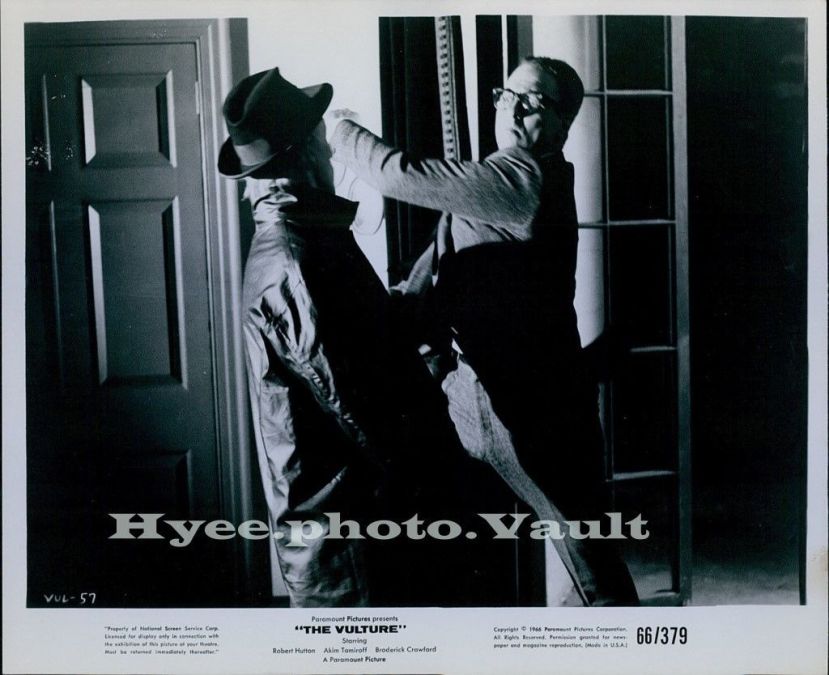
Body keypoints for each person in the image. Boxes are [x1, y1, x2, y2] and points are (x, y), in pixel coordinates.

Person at [329, 57, 639, 606]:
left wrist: (340, 131)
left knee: (593, 567)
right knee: (453, 541)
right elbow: (438, 264)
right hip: (474, 397)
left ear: (563, 124)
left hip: (534, 414)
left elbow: (398, 174)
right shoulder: (493, 180)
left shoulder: (525, 179)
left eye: (533, 103)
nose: (512, 111)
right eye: (507, 96)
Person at [218, 67, 500, 608]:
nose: (332, 157)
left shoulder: (308, 239)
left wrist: (442, 248)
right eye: (325, 146)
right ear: (305, 157)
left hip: (359, 532)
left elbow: (365, 338)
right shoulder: (298, 261)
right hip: (355, 552)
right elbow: (363, 410)